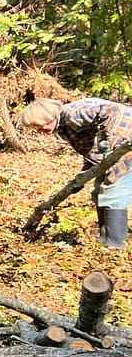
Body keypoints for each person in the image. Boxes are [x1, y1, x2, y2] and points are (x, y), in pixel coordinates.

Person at [20, 97, 132, 248]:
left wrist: (109, 142)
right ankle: (105, 240)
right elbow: (90, 149)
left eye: (40, 126)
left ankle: (114, 245)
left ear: (49, 115)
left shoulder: (73, 114)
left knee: (113, 191)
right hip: (114, 151)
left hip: (126, 144)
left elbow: (114, 111)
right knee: (99, 192)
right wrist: (83, 175)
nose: (40, 131)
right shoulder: (64, 126)